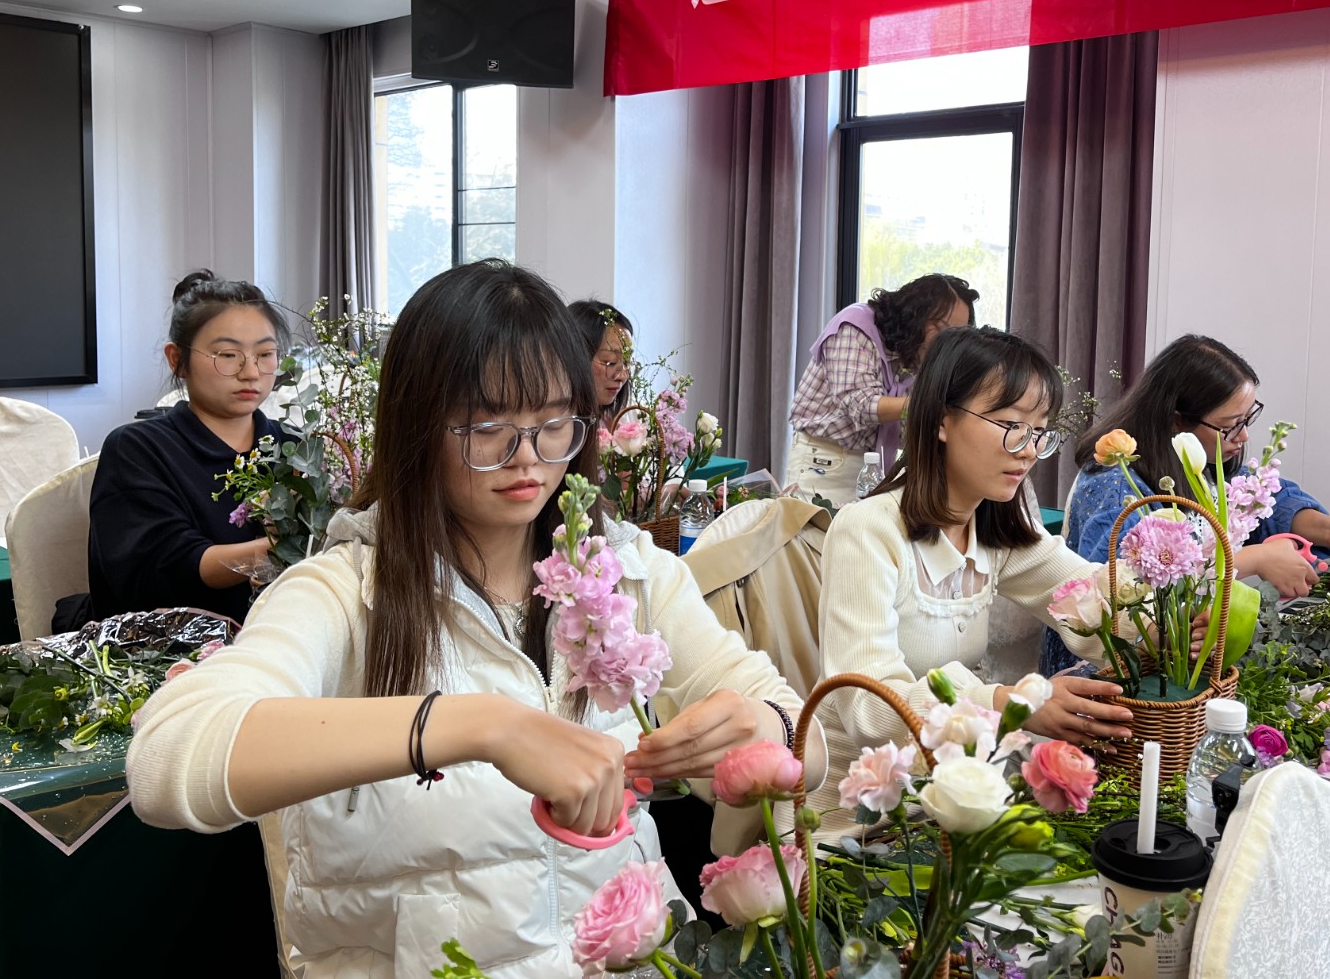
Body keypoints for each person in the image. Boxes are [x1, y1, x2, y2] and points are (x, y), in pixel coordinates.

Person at [127, 260, 821, 979]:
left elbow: (805, 729)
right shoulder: (344, 592)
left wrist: (764, 730)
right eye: (488, 426)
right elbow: (167, 758)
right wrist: (483, 726)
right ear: (417, 423)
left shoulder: (627, 571)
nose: (528, 458)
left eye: (553, 422)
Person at [811, 326, 1132, 839]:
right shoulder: (868, 530)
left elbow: (1093, 598)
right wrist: (1009, 703)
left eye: (1039, 432)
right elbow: (868, 704)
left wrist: (1172, 619)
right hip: (857, 820)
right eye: (1011, 425)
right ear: (942, 420)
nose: (1029, 450)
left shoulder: (994, 531)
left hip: (952, 802)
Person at [1041, 333, 1330, 676]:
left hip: (1180, 653)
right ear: (1177, 420)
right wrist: (1255, 559)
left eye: (1247, 420)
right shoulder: (1116, 487)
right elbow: (1122, 599)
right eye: (1230, 426)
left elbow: (1265, 498)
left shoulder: (1202, 459)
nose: (1243, 436)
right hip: (1111, 672)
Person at [88, 270, 291, 624]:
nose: (251, 372)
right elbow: (165, 568)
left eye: (265, 353)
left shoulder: (295, 447)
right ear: (177, 359)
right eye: (227, 355)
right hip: (173, 647)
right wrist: (287, 549)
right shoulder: (138, 450)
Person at [786, 273, 978, 506]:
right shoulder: (855, 326)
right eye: (940, 329)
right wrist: (926, 405)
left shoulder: (915, 357)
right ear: (915, 315)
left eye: (954, 337)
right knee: (816, 528)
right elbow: (861, 405)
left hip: (871, 465)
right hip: (824, 461)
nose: (944, 344)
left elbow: (906, 431)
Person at [568, 299, 634, 430]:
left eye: (627, 362)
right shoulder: (554, 425)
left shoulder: (618, 423)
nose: (622, 376)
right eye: (610, 362)